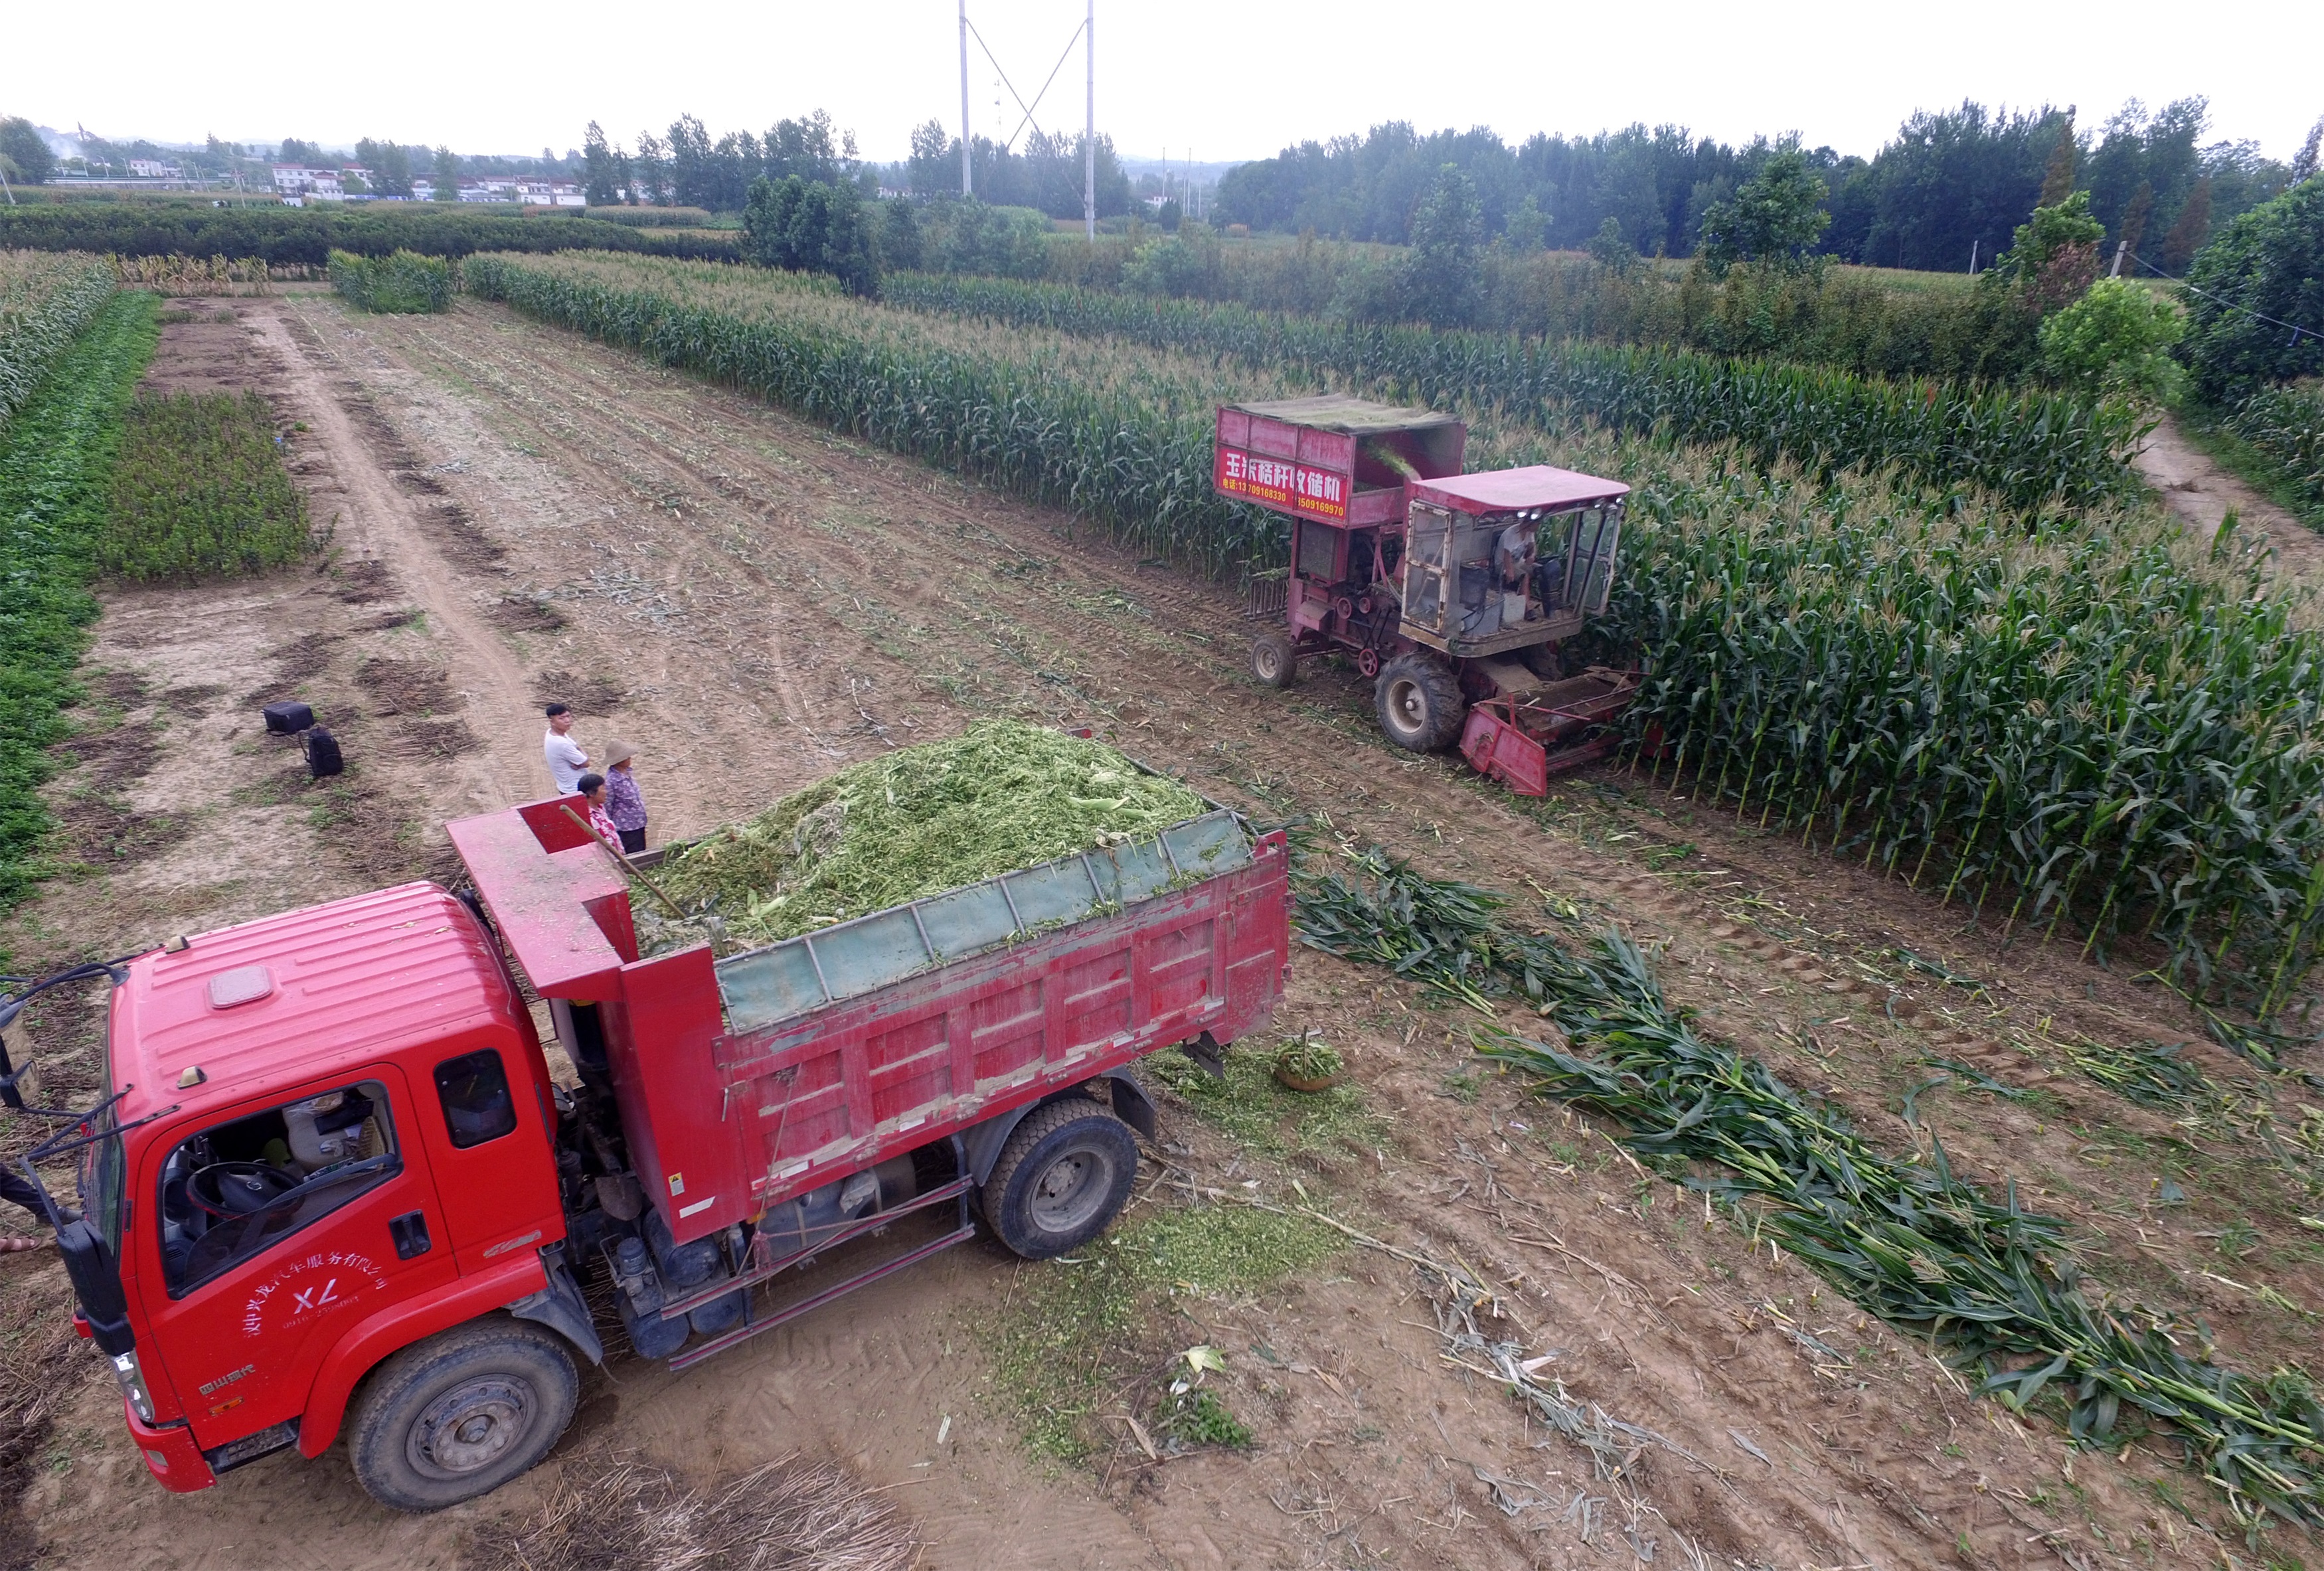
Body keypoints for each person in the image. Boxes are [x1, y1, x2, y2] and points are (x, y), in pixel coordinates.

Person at [602, 742, 649, 854]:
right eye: (628, 757)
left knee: (641, 849)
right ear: (621, 761)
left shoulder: (628, 772)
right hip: (626, 827)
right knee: (634, 853)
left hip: (638, 822)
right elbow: (608, 805)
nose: (630, 759)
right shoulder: (612, 781)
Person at [544, 703, 589, 795]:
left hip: (566, 787)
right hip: (575, 790)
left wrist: (580, 758)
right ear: (552, 722)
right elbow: (587, 763)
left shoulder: (552, 733)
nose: (567, 720)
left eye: (568, 716)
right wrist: (582, 755)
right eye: (561, 718)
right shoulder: (562, 743)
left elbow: (577, 747)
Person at [575, 772, 622, 852]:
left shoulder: (600, 808)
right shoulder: (587, 817)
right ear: (591, 793)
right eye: (603, 788)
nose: (606, 792)